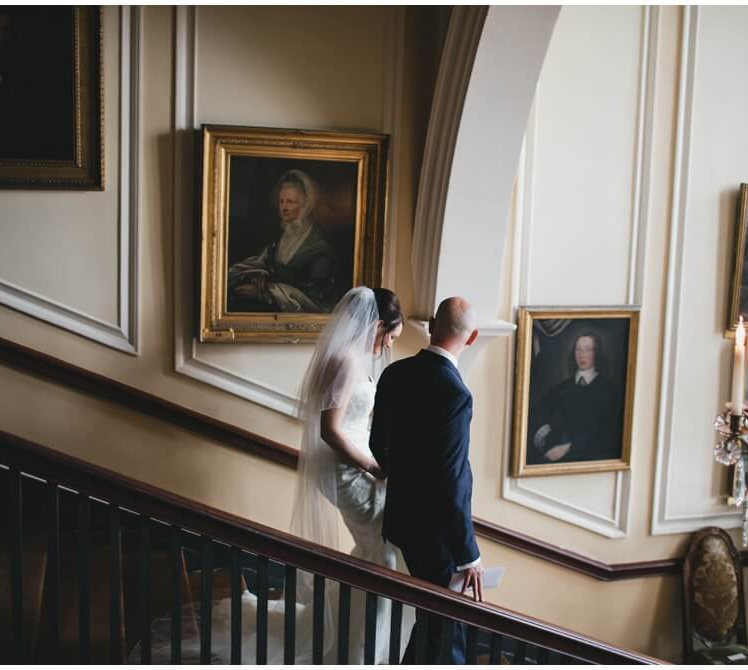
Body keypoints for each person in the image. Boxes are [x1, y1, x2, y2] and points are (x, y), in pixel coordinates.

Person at [130, 287, 412, 663]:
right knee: (385, 546)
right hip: (347, 471)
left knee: (379, 548)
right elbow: (331, 430)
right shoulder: (345, 360)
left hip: (358, 463)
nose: (388, 346)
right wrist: (373, 466)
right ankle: (360, 650)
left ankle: (354, 637)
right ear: (377, 325)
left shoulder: (356, 358)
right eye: (390, 337)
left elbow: (359, 419)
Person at [370, 296, 484, 664]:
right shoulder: (457, 395)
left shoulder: (394, 373)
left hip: (401, 523)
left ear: (432, 325)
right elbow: (450, 479)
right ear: (472, 338)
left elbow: (377, 445)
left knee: (431, 623)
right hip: (438, 537)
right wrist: (468, 554)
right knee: (446, 630)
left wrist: (405, 478)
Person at [227, 170, 337, 313]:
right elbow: (262, 263)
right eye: (281, 201)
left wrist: (265, 293)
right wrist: (259, 275)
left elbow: (312, 302)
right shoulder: (280, 238)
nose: (284, 208)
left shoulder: (319, 249)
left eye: (290, 202)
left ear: (305, 205)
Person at [528, 331, 623, 464]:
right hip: (551, 458)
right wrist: (540, 432)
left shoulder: (609, 390)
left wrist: (569, 448)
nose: (581, 354)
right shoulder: (563, 388)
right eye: (578, 349)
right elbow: (535, 414)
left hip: (591, 461)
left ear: (597, 353)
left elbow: (606, 434)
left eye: (588, 349)